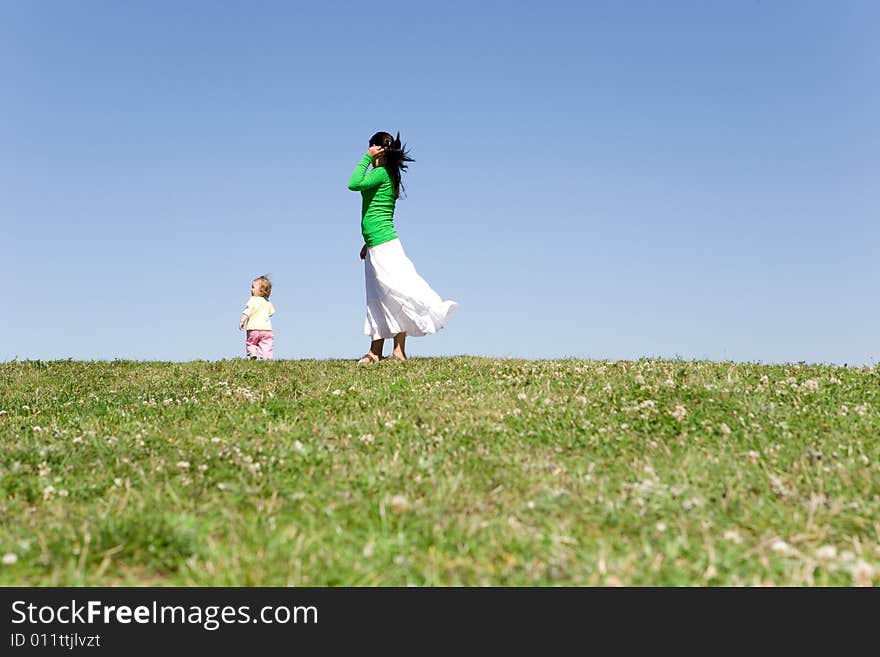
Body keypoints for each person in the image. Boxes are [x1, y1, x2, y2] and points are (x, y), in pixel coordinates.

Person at [347, 131, 458, 364]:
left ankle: (390, 352)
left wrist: (366, 157)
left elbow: (353, 183)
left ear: (376, 149)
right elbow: (379, 212)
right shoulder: (386, 174)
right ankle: (380, 352)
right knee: (380, 297)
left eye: (372, 147)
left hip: (384, 245)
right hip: (378, 245)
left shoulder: (380, 173)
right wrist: (368, 243)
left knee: (395, 294)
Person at [239, 275, 275, 360]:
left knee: (251, 343)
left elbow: (248, 311)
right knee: (266, 344)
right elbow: (271, 313)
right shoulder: (267, 302)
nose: (251, 289)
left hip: (253, 328)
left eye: (253, 287)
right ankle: (267, 358)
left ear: (261, 290)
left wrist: (242, 321)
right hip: (266, 330)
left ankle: (253, 353)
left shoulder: (252, 300)